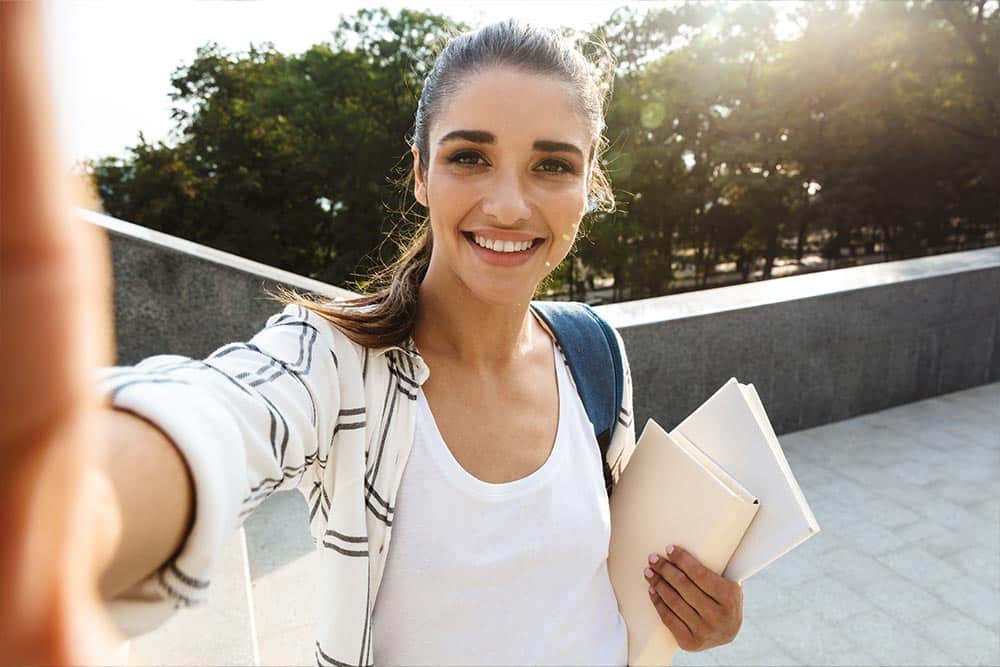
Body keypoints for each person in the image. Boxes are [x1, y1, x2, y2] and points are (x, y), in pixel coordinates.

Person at [0, 5, 744, 666]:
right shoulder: (336, 365)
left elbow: (608, 570)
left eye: (553, 165)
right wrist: (66, 514)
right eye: (469, 157)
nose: (510, 203)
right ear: (420, 174)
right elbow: (222, 413)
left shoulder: (593, 352)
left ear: (590, 187)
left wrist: (697, 611)